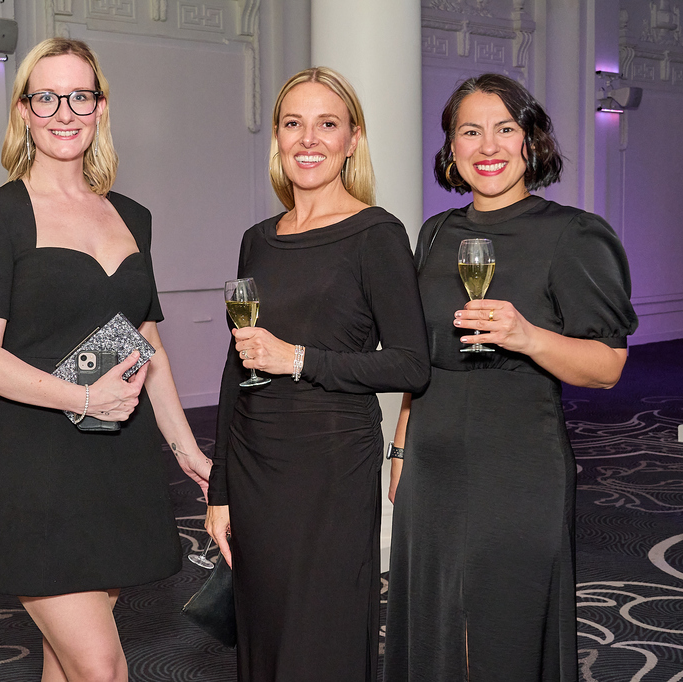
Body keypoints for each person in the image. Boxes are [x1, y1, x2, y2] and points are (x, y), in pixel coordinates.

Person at [0, 38, 212, 682]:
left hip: (115, 461)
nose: (64, 112)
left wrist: (187, 451)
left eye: (80, 97)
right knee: (101, 667)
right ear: (23, 110)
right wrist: (85, 398)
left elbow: (146, 345)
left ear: (100, 107)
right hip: (32, 465)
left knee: (66, 665)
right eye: (46, 97)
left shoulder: (133, 217)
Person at [383, 73, 639, 681]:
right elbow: (422, 356)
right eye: (470, 131)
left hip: (518, 462)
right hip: (432, 459)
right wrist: (401, 447)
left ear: (531, 141)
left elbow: (607, 367)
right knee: (434, 622)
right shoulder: (436, 234)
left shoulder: (573, 234)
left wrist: (526, 336)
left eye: (504, 128)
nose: (488, 146)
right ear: (451, 148)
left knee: (504, 625)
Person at [204, 67, 430, 681]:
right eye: (293, 124)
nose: (308, 139)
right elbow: (235, 366)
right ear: (277, 138)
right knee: (265, 629)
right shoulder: (257, 240)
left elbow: (411, 362)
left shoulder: (376, 234)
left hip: (331, 465)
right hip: (255, 466)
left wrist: (299, 358)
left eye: (327, 124)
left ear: (352, 139)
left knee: (319, 632)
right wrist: (220, 488)